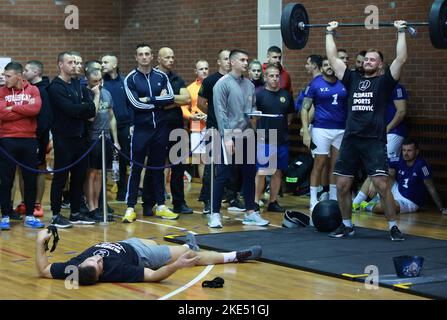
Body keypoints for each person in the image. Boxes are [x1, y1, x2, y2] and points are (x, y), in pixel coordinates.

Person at [325, 20, 408, 241]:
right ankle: (346, 225)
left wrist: (400, 31)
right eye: (366, 59)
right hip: (351, 139)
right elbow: (333, 59)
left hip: (373, 141)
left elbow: (401, 59)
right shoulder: (352, 79)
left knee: (382, 185)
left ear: (380, 65)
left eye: (373, 59)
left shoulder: (385, 82)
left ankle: (392, 226)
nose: (368, 62)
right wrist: (329, 32)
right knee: (342, 185)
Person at [35, 228, 262, 285]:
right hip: (142, 255)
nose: (99, 259)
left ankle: (184, 247)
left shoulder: (72, 268)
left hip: (127, 243)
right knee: (190, 254)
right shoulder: (117, 271)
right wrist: (178, 266)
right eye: (100, 264)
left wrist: (39, 243)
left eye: (95, 260)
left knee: (152, 240)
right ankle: (234, 256)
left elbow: (44, 270)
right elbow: (153, 277)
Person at [209, 49, 269, 228]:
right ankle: (214, 214)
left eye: (247, 60)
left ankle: (250, 212)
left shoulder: (250, 84)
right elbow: (220, 113)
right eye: (242, 60)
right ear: (232, 63)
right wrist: (227, 138)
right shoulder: (222, 84)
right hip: (228, 135)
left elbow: (250, 110)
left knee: (249, 174)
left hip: (247, 135)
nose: (245, 63)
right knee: (223, 175)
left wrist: (255, 122)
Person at [122, 43, 178, 223]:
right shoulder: (130, 78)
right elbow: (135, 104)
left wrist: (150, 99)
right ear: (136, 57)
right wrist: (158, 101)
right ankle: (130, 207)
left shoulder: (161, 76)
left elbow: (170, 98)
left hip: (161, 129)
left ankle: (161, 205)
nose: (144, 57)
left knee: (158, 168)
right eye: (141, 54)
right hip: (141, 130)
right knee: (136, 169)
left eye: (147, 54)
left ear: (152, 56)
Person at [48, 52, 97, 228]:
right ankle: (55, 214)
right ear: (61, 64)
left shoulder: (78, 84)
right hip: (63, 138)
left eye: (76, 62)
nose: (74, 65)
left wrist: (82, 107)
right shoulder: (56, 87)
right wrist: (82, 108)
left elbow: (91, 109)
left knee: (79, 176)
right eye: (70, 62)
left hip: (80, 137)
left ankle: (76, 212)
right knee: (60, 178)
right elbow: (71, 110)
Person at [0, 62, 44, 230]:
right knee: (6, 180)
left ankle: (30, 215)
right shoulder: (2, 91)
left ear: (19, 76)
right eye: (4, 76)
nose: (5, 79)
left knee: (30, 179)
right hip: (7, 139)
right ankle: (5, 215)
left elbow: (35, 109)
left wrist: (12, 107)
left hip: (29, 140)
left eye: (8, 76)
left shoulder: (33, 90)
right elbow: (2, 113)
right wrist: (22, 108)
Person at [301, 57, 348, 212]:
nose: (329, 67)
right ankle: (313, 199)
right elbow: (305, 108)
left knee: (336, 166)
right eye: (326, 65)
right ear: (321, 69)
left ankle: (334, 198)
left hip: (340, 129)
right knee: (319, 164)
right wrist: (306, 131)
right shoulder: (315, 83)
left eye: (331, 65)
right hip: (321, 129)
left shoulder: (343, 82)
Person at [360, 139, 447, 215]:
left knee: (381, 208)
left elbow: (431, 187)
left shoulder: (422, 165)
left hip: (409, 202)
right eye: (404, 150)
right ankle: (356, 203)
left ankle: (367, 206)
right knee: (376, 174)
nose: (405, 153)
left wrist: (441, 208)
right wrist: (373, 182)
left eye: (409, 151)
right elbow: (379, 164)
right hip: (397, 190)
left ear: (417, 152)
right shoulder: (400, 159)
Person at [156, 47, 193, 215]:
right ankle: (158, 202)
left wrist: (167, 101)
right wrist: (172, 100)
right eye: (167, 57)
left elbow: (186, 98)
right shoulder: (153, 78)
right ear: (159, 59)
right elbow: (155, 101)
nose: (171, 60)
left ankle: (179, 202)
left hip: (177, 127)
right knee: (157, 166)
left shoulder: (177, 78)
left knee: (178, 166)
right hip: (159, 127)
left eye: (172, 57)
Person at [254, 64, 294, 213]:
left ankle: (273, 201)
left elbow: (289, 116)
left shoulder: (286, 95)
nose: (275, 78)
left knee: (277, 172)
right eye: (271, 76)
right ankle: (255, 202)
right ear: (266, 77)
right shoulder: (259, 94)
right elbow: (252, 117)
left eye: (277, 76)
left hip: (282, 139)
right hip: (265, 139)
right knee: (263, 171)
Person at [15, 61, 52, 218]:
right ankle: (25, 202)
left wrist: (38, 136)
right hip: (25, 137)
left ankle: (37, 204)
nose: (24, 72)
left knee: (39, 169)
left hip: (38, 137)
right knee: (22, 170)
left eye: (27, 70)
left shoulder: (44, 90)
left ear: (36, 72)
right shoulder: (25, 89)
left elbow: (45, 118)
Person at [196, 49, 231, 214]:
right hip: (214, 127)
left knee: (232, 165)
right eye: (225, 58)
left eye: (230, 58)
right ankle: (207, 200)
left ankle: (231, 196)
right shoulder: (210, 81)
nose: (228, 61)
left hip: (233, 129)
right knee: (211, 166)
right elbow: (201, 103)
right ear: (219, 61)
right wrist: (215, 112)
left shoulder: (237, 80)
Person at [85, 68, 120, 221]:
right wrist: (96, 94)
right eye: (94, 81)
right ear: (87, 80)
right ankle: (91, 206)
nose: (98, 84)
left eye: (100, 81)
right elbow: (91, 115)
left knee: (101, 173)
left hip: (105, 137)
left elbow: (112, 117)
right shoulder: (87, 94)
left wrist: (116, 140)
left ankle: (98, 206)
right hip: (92, 138)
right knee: (91, 173)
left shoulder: (106, 93)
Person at [102, 53, 133, 201]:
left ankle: (122, 190)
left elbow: (131, 104)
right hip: (105, 127)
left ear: (114, 65)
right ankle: (102, 192)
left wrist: (132, 123)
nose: (103, 65)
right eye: (102, 62)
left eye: (106, 62)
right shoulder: (101, 83)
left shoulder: (125, 81)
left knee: (123, 159)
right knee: (104, 159)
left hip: (124, 125)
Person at [181, 59, 209, 179]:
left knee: (213, 160)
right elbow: (183, 108)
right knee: (200, 159)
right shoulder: (190, 88)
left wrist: (210, 116)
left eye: (206, 68)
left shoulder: (214, 85)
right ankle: (204, 190)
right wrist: (191, 116)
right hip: (196, 126)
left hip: (212, 125)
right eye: (201, 69)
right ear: (195, 71)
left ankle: (215, 190)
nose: (204, 71)